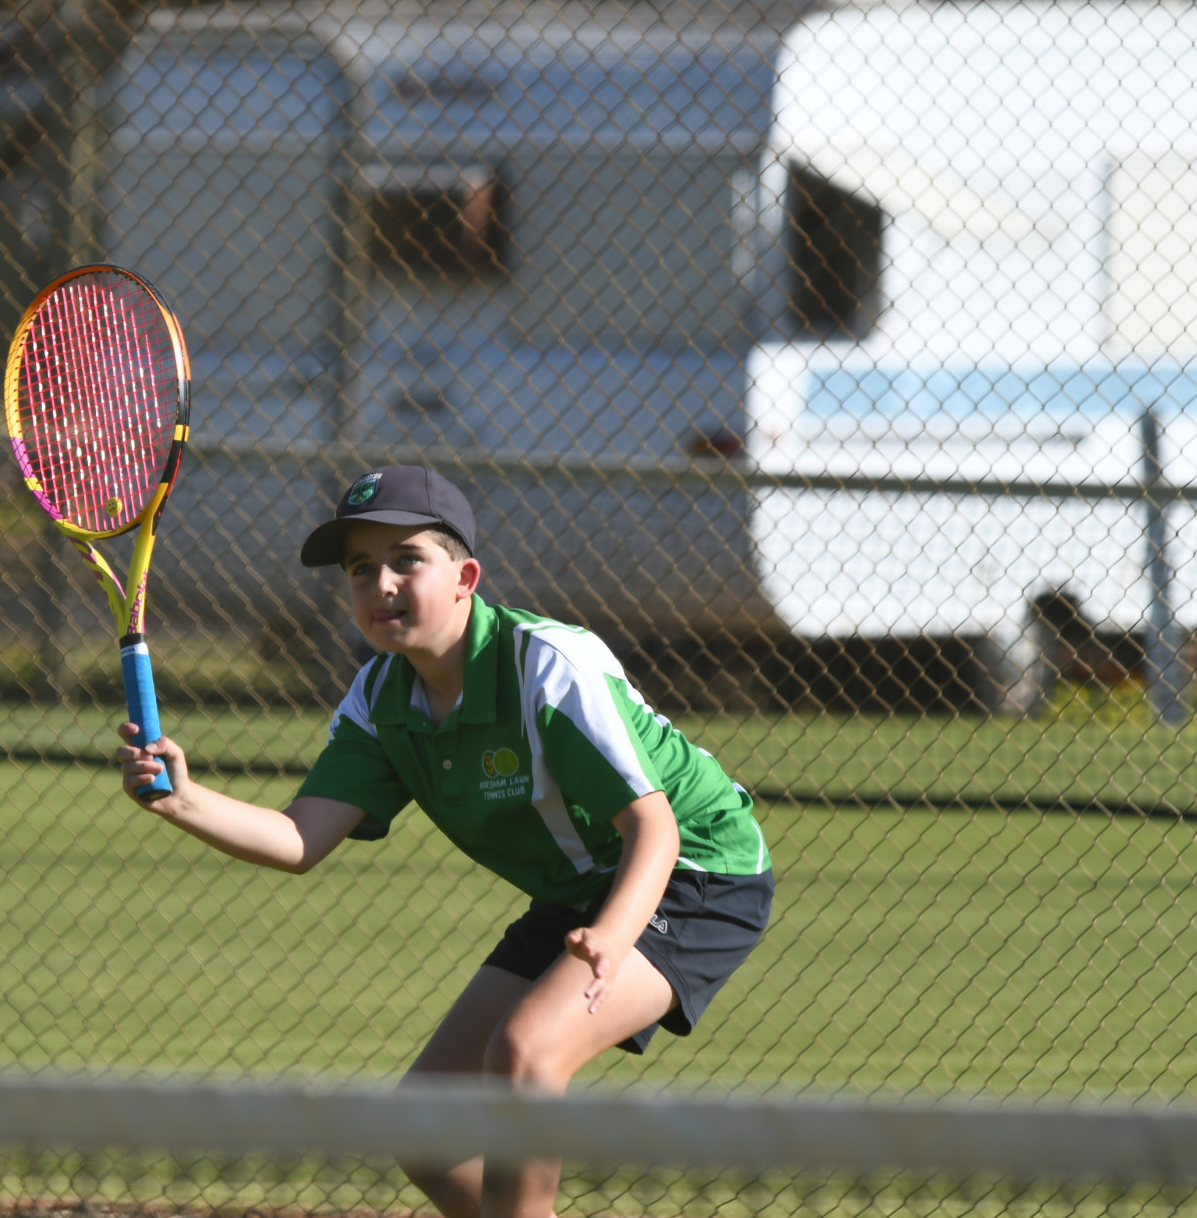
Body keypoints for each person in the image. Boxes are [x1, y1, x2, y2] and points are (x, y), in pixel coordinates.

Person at [115, 465, 773, 1218]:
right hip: (580, 891)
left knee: (526, 1053)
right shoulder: (380, 699)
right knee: (427, 1129)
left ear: (465, 576)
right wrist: (183, 798)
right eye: (361, 568)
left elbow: (652, 824)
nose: (380, 583)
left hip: (695, 869)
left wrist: (615, 937)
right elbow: (300, 837)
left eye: (406, 560)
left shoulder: (546, 666)